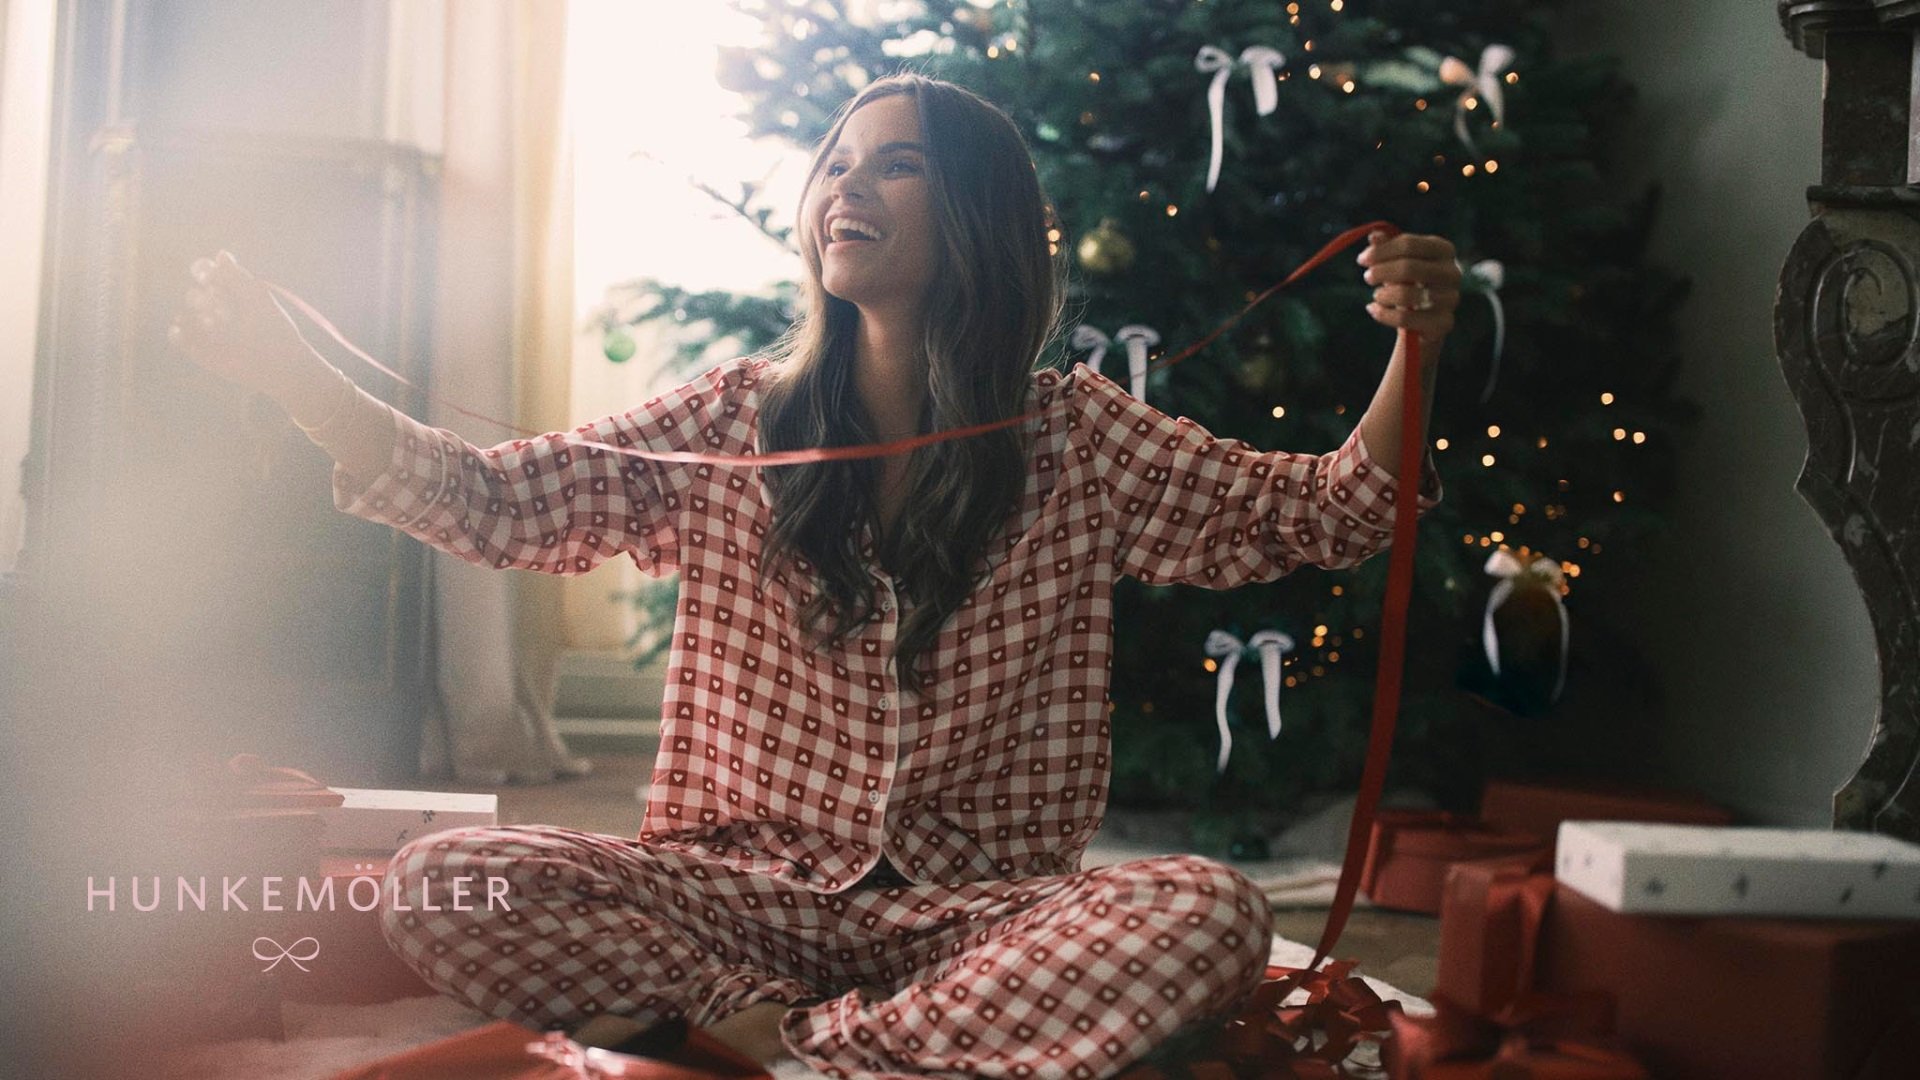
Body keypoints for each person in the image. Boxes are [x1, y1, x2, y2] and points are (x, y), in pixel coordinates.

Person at [173, 73, 1453, 1079]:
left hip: (977, 916)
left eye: (898, 164)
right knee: (448, 880)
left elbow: (1333, 512)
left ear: (981, 216)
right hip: (730, 898)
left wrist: (1420, 348)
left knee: (1211, 915)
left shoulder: (1080, 437)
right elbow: (495, 502)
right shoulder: (733, 420)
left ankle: (790, 1055)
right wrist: (296, 379)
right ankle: (884, 1041)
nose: (849, 184)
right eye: (837, 162)